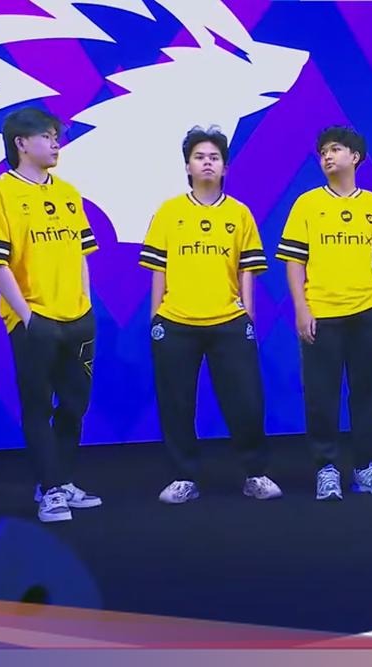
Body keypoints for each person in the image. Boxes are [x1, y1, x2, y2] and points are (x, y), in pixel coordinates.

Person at [0, 107, 102, 523]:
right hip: (34, 320)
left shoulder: (68, 193)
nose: (55, 143)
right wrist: (28, 317)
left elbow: (81, 253)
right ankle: (50, 489)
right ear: (21, 143)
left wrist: (85, 303)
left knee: (75, 404)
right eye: (46, 136)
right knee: (38, 404)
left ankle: (61, 479)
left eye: (56, 136)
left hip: (77, 316)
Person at [140, 125, 282, 504]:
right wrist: (156, 318)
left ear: (225, 168)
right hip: (176, 322)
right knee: (176, 405)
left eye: (214, 158)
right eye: (199, 157)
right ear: (187, 166)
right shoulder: (169, 212)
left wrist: (247, 315)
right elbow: (159, 268)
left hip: (228, 322)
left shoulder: (239, 214)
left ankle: (255, 473)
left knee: (247, 403)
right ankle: (183, 477)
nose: (207, 163)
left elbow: (247, 269)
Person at [278, 126, 372, 501]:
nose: (327, 157)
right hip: (322, 313)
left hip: (368, 314)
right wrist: (302, 308)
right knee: (321, 396)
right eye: (322, 152)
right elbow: (294, 261)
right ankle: (326, 469)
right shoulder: (307, 204)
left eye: (335, 149)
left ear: (355, 157)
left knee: (369, 394)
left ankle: (365, 467)